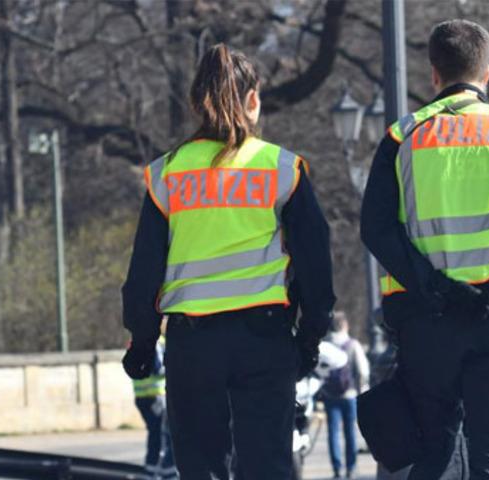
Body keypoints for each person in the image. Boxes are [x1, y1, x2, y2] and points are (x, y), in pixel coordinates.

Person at [361, 19, 489, 480]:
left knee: (434, 450)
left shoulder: (401, 138)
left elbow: (376, 228)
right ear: (486, 73)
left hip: (427, 322)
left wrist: (433, 287)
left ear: (434, 72)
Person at [121, 43, 335, 479]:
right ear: (253, 100)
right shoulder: (281, 169)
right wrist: (309, 338)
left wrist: (142, 343)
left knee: (200, 467)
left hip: (192, 344)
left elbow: (144, 273)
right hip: (264, 339)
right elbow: (316, 266)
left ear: (196, 103)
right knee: (268, 466)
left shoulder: (167, 174)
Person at [320, 311, 369, 479]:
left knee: (332, 431)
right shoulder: (352, 344)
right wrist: (360, 388)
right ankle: (351, 467)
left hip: (329, 394)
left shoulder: (324, 345)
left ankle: (336, 468)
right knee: (350, 432)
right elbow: (362, 370)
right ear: (344, 325)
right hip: (350, 394)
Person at [131, 335, 177, 479]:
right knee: (162, 435)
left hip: (141, 396)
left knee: (155, 433)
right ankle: (163, 472)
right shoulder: (156, 341)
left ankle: (153, 470)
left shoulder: (136, 341)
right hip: (155, 395)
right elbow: (157, 369)